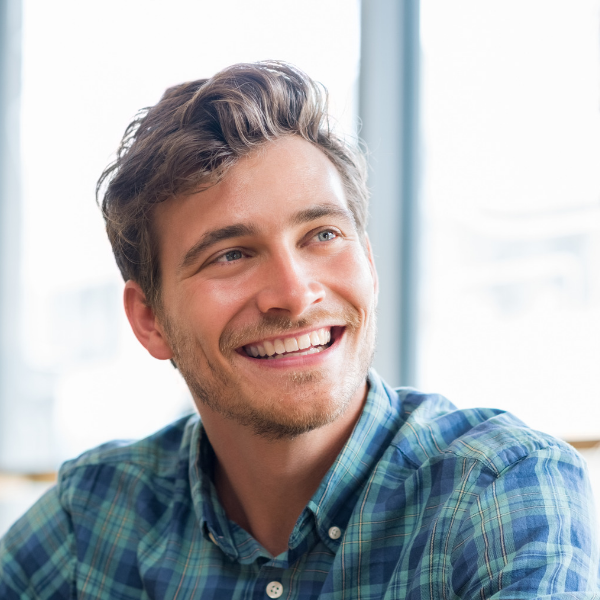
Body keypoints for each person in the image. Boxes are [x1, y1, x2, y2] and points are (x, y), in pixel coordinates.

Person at [0, 61, 598, 599]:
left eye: (322, 236)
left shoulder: (498, 489)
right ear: (149, 320)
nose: (294, 293)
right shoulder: (94, 519)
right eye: (231, 254)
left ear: (367, 259)